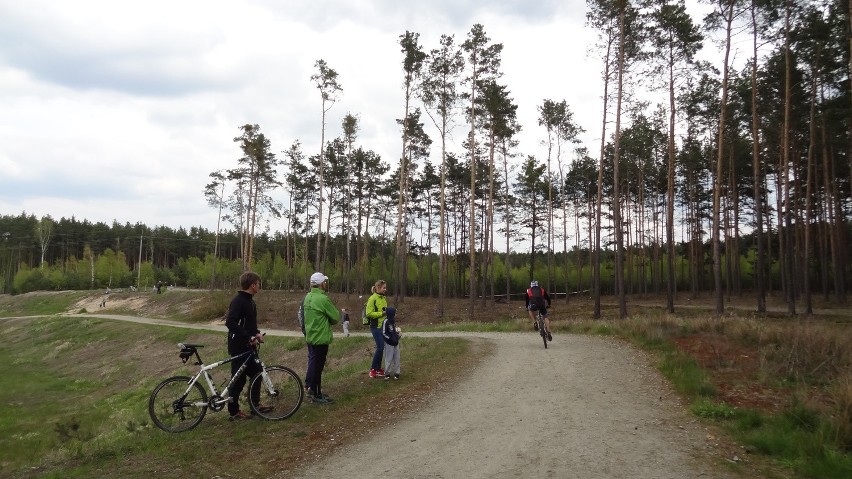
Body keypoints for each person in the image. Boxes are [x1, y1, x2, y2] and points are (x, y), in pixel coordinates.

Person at [224, 271, 265, 420]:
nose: (259, 287)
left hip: (250, 346)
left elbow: (250, 324)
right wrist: (248, 336)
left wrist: (257, 334)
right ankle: (234, 412)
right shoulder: (239, 300)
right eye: (258, 284)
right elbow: (230, 322)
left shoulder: (250, 301)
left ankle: (256, 406)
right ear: (253, 285)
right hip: (239, 346)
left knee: (257, 373)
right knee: (238, 379)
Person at [303, 272, 340, 404]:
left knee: (313, 363)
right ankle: (316, 394)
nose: (326, 284)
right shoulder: (323, 299)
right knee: (318, 366)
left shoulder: (307, 297)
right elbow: (335, 317)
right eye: (324, 282)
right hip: (321, 337)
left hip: (311, 336)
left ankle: (312, 389)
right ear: (321, 284)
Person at [366, 280, 389, 378]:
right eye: (384, 288)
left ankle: (378, 369)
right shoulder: (372, 298)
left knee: (382, 347)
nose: (385, 289)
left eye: (385, 287)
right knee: (380, 347)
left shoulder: (383, 298)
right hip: (375, 327)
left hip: (383, 326)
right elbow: (369, 313)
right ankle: (372, 369)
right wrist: (381, 314)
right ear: (378, 288)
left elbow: (385, 311)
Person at [381, 307, 401, 380]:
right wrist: (390, 338)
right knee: (388, 358)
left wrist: (398, 334)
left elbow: (395, 331)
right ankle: (387, 373)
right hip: (389, 343)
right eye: (395, 313)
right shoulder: (386, 321)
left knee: (397, 358)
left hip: (396, 342)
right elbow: (383, 333)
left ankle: (397, 373)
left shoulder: (393, 321)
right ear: (391, 313)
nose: (396, 314)